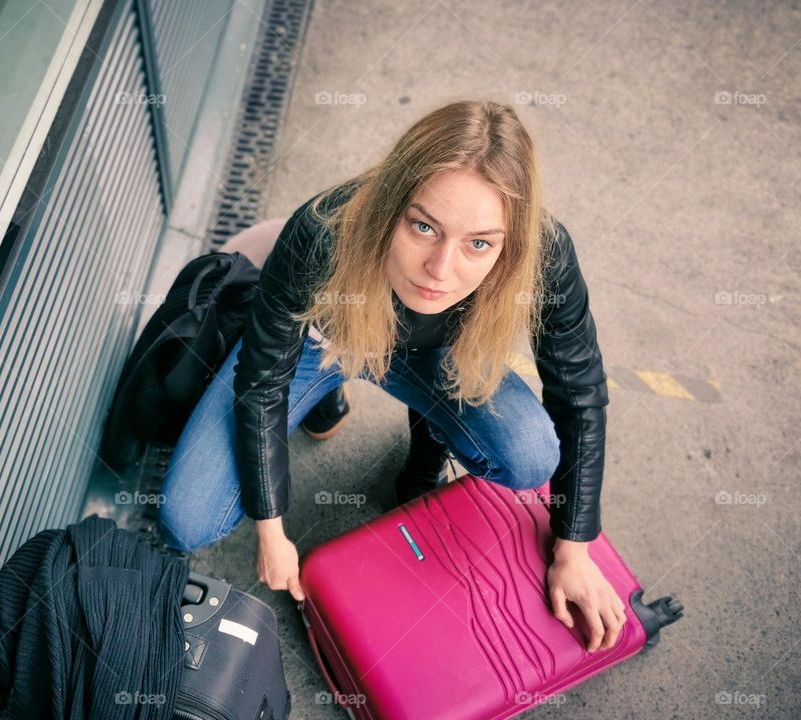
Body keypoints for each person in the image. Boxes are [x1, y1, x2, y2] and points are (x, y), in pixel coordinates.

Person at [156, 100, 627, 652]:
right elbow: (262, 381)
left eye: (479, 243)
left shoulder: (544, 254)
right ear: (390, 207)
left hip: (433, 355)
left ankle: (420, 464)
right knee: (188, 519)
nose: (441, 269)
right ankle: (323, 402)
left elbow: (579, 394)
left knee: (530, 455)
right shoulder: (322, 232)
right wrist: (272, 530)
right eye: (424, 227)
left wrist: (574, 547)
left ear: (510, 239)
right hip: (323, 342)